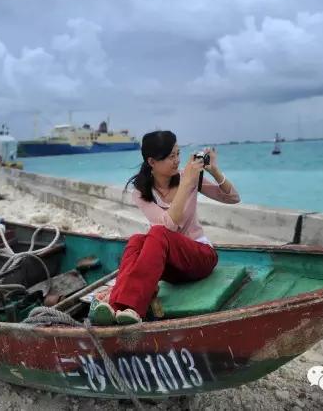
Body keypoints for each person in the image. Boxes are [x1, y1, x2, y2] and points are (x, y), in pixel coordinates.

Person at [88, 130, 240, 325]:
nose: (177, 160)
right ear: (152, 162)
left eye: (178, 154)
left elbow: (233, 198)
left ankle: (133, 308)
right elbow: (169, 226)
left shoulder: (188, 177)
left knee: (156, 232)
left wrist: (214, 171)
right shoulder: (142, 192)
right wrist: (187, 183)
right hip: (171, 271)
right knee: (136, 240)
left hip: (201, 258)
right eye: (170, 156)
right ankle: (116, 307)